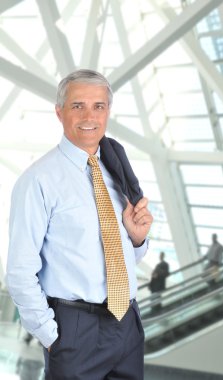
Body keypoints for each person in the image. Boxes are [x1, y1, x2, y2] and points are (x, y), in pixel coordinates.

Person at [6, 69, 153, 380]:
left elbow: (118, 256)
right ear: (59, 112)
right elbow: (20, 271)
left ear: (108, 112)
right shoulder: (38, 181)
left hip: (127, 323)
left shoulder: (116, 168)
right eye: (78, 106)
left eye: (99, 106)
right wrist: (51, 336)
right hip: (74, 330)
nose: (90, 115)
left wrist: (137, 240)